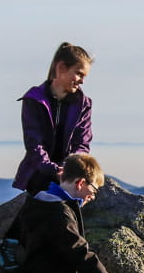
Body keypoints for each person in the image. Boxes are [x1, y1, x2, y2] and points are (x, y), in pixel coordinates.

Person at [13, 43, 94, 195]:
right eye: (79, 74)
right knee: (45, 191)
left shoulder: (83, 104)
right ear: (61, 68)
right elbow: (34, 144)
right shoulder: (34, 100)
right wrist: (53, 170)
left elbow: (82, 143)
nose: (82, 81)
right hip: (39, 171)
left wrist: (69, 169)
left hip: (70, 173)